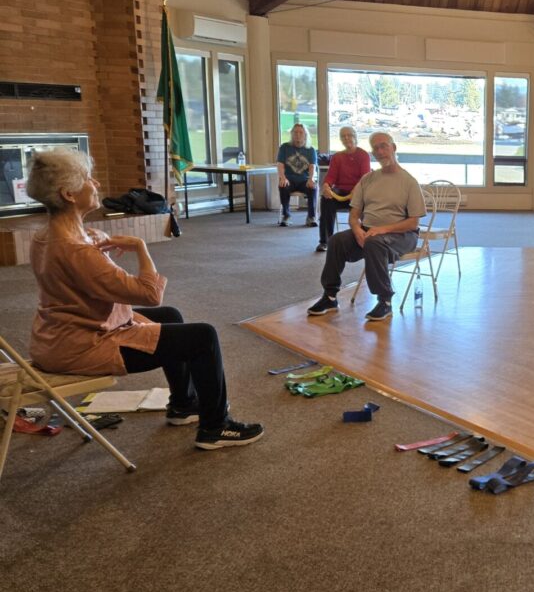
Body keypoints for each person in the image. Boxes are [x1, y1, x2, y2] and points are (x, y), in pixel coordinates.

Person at [25, 149, 263, 450]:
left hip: (57, 337)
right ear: (69, 194)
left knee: (170, 315)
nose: (96, 183)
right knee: (204, 336)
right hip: (83, 345)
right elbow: (149, 293)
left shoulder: (45, 237)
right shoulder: (76, 251)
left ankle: (184, 404)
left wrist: (92, 237)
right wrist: (140, 247)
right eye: (87, 179)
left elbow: (77, 261)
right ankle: (216, 427)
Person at [307, 132, 426, 322]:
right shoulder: (368, 180)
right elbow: (354, 216)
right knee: (337, 240)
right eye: (375, 148)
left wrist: (382, 230)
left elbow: (413, 222)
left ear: (393, 148)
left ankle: (384, 301)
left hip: (402, 234)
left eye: (383, 146)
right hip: (369, 231)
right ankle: (330, 297)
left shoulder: (409, 182)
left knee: (374, 242)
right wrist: (356, 230)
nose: (380, 151)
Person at [318, 126, 371, 252]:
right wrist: (326, 186)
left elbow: (364, 178)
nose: (346, 138)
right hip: (341, 191)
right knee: (326, 200)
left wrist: (356, 191)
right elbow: (331, 177)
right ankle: (325, 241)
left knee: (366, 203)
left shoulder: (363, 155)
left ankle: (365, 237)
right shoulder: (337, 157)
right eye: (343, 136)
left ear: (355, 137)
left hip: (359, 192)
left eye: (349, 135)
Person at [276, 123, 318, 228]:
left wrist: (311, 179)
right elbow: (280, 165)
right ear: (292, 134)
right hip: (289, 179)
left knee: (313, 187)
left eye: (300, 132)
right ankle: (286, 216)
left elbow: (312, 166)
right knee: (283, 186)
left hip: (304, 180)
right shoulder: (285, 147)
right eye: (295, 132)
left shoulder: (310, 149)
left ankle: (311, 217)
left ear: (305, 135)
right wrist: (282, 177)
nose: (298, 135)